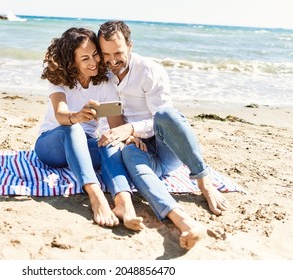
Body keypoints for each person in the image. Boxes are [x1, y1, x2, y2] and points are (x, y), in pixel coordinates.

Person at [97, 20, 230, 249]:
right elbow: (115, 119)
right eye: (105, 54)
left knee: (167, 114)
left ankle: (204, 182)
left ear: (129, 45)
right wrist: (127, 135)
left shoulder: (149, 70)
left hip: (167, 147)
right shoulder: (105, 76)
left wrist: (132, 128)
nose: (112, 60)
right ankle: (184, 221)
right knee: (128, 153)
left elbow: (164, 122)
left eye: (118, 52)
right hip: (140, 149)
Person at [34, 27, 144, 231]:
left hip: (83, 147)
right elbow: (60, 114)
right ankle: (96, 197)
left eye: (95, 55)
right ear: (72, 60)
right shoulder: (58, 80)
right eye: (85, 58)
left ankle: (123, 202)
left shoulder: (105, 83)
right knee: (73, 128)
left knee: (109, 141)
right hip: (51, 145)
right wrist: (76, 116)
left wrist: (127, 134)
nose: (93, 62)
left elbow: (115, 127)